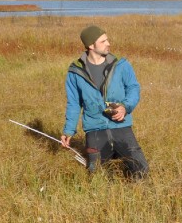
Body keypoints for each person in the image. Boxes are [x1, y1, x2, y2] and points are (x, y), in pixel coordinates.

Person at [60, 25, 149, 180]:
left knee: (141, 171)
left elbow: (133, 88)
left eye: (107, 39)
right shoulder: (76, 71)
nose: (109, 43)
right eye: (103, 41)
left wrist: (125, 107)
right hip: (94, 129)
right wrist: (69, 130)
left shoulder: (121, 65)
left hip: (121, 126)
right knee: (97, 176)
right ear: (90, 46)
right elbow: (74, 103)